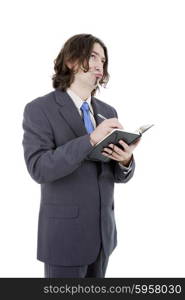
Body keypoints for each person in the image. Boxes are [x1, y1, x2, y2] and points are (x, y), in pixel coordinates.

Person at [22, 33, 140, 278]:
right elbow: (39, 168)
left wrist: (125, 160)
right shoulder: (39, 109)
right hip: (65, 239)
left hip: (102, 237)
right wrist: (90, 140)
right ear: (71, 62)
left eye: (103, 60)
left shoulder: (108, 111)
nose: (100, 65)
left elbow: (113, 175)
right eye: (93, 56)